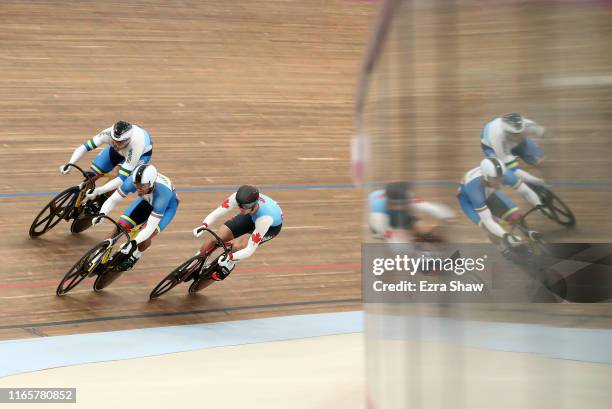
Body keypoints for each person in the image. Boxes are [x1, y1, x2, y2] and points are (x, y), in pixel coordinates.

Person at [91, 164, 179, 272]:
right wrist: (102, 214)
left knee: (146, 237)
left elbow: (150, 227)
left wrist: (133, 243)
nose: (138, 188)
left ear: (151, 184)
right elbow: (113, 199)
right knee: (120, 226)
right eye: (136, 185)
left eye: (142, 186)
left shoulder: (162, 195)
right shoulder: (133, 181)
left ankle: (136, 255)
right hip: (147, 200)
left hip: (167, 208)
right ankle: (100, 254)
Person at [192, 185, 283, 281]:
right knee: (216, 238)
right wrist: (204, 225)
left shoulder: (265, 219)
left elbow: (250, 249)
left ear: (254, 204)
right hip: (250, 216)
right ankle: (193, 264)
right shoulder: (239, 199)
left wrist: (230, 257)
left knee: (238, 246)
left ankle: (230, 266)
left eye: (245, 206)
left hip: (269, 227)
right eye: (239, 205)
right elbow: (218, 211)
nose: (241, 209)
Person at [59, 121, 153, 210]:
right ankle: (79, 197)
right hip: (122, 150)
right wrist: (70, 163)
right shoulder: (107, 133)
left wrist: (99, 191)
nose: (115, 143)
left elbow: (121, 179)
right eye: (114, 140)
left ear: (127, 140)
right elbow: (84, 147)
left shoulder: (135, 146)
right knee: (96, 170)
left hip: (141, 155)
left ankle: (101, 201)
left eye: (119, 142)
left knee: (118, 175)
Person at [457, 158, 538, 254]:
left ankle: (530, 237)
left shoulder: (504, 175)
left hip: (488, 193)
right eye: (496, 179)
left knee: (516, 216)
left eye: (501, 177)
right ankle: (502, 249)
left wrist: (538, 204)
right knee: (489, 227)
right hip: (469, 202)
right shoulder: (475, 190)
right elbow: (488, 221)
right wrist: (505, 235)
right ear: (486, 177)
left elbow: (526, 191)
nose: (500, 181)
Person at [368, 181, 455, 242]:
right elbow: (394, 239)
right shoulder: (379, 214)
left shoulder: (408, 197)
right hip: (382, 220)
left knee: (419, 232)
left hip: (394, 211)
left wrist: (448, 216)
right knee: (404, 239)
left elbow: (428, 207)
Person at [480, 113, 548, 189]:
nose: (518, 137)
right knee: (504, 171)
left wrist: (545, 134)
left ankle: (519, 163)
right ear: (507, 133)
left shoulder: (527, 125)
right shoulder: (498, 141)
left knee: (538, 158)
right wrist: (535, 181)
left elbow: (542, 131)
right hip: (490, 146)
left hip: (507, 139)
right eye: (515, 135)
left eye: (520, 133)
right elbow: (514, 170)